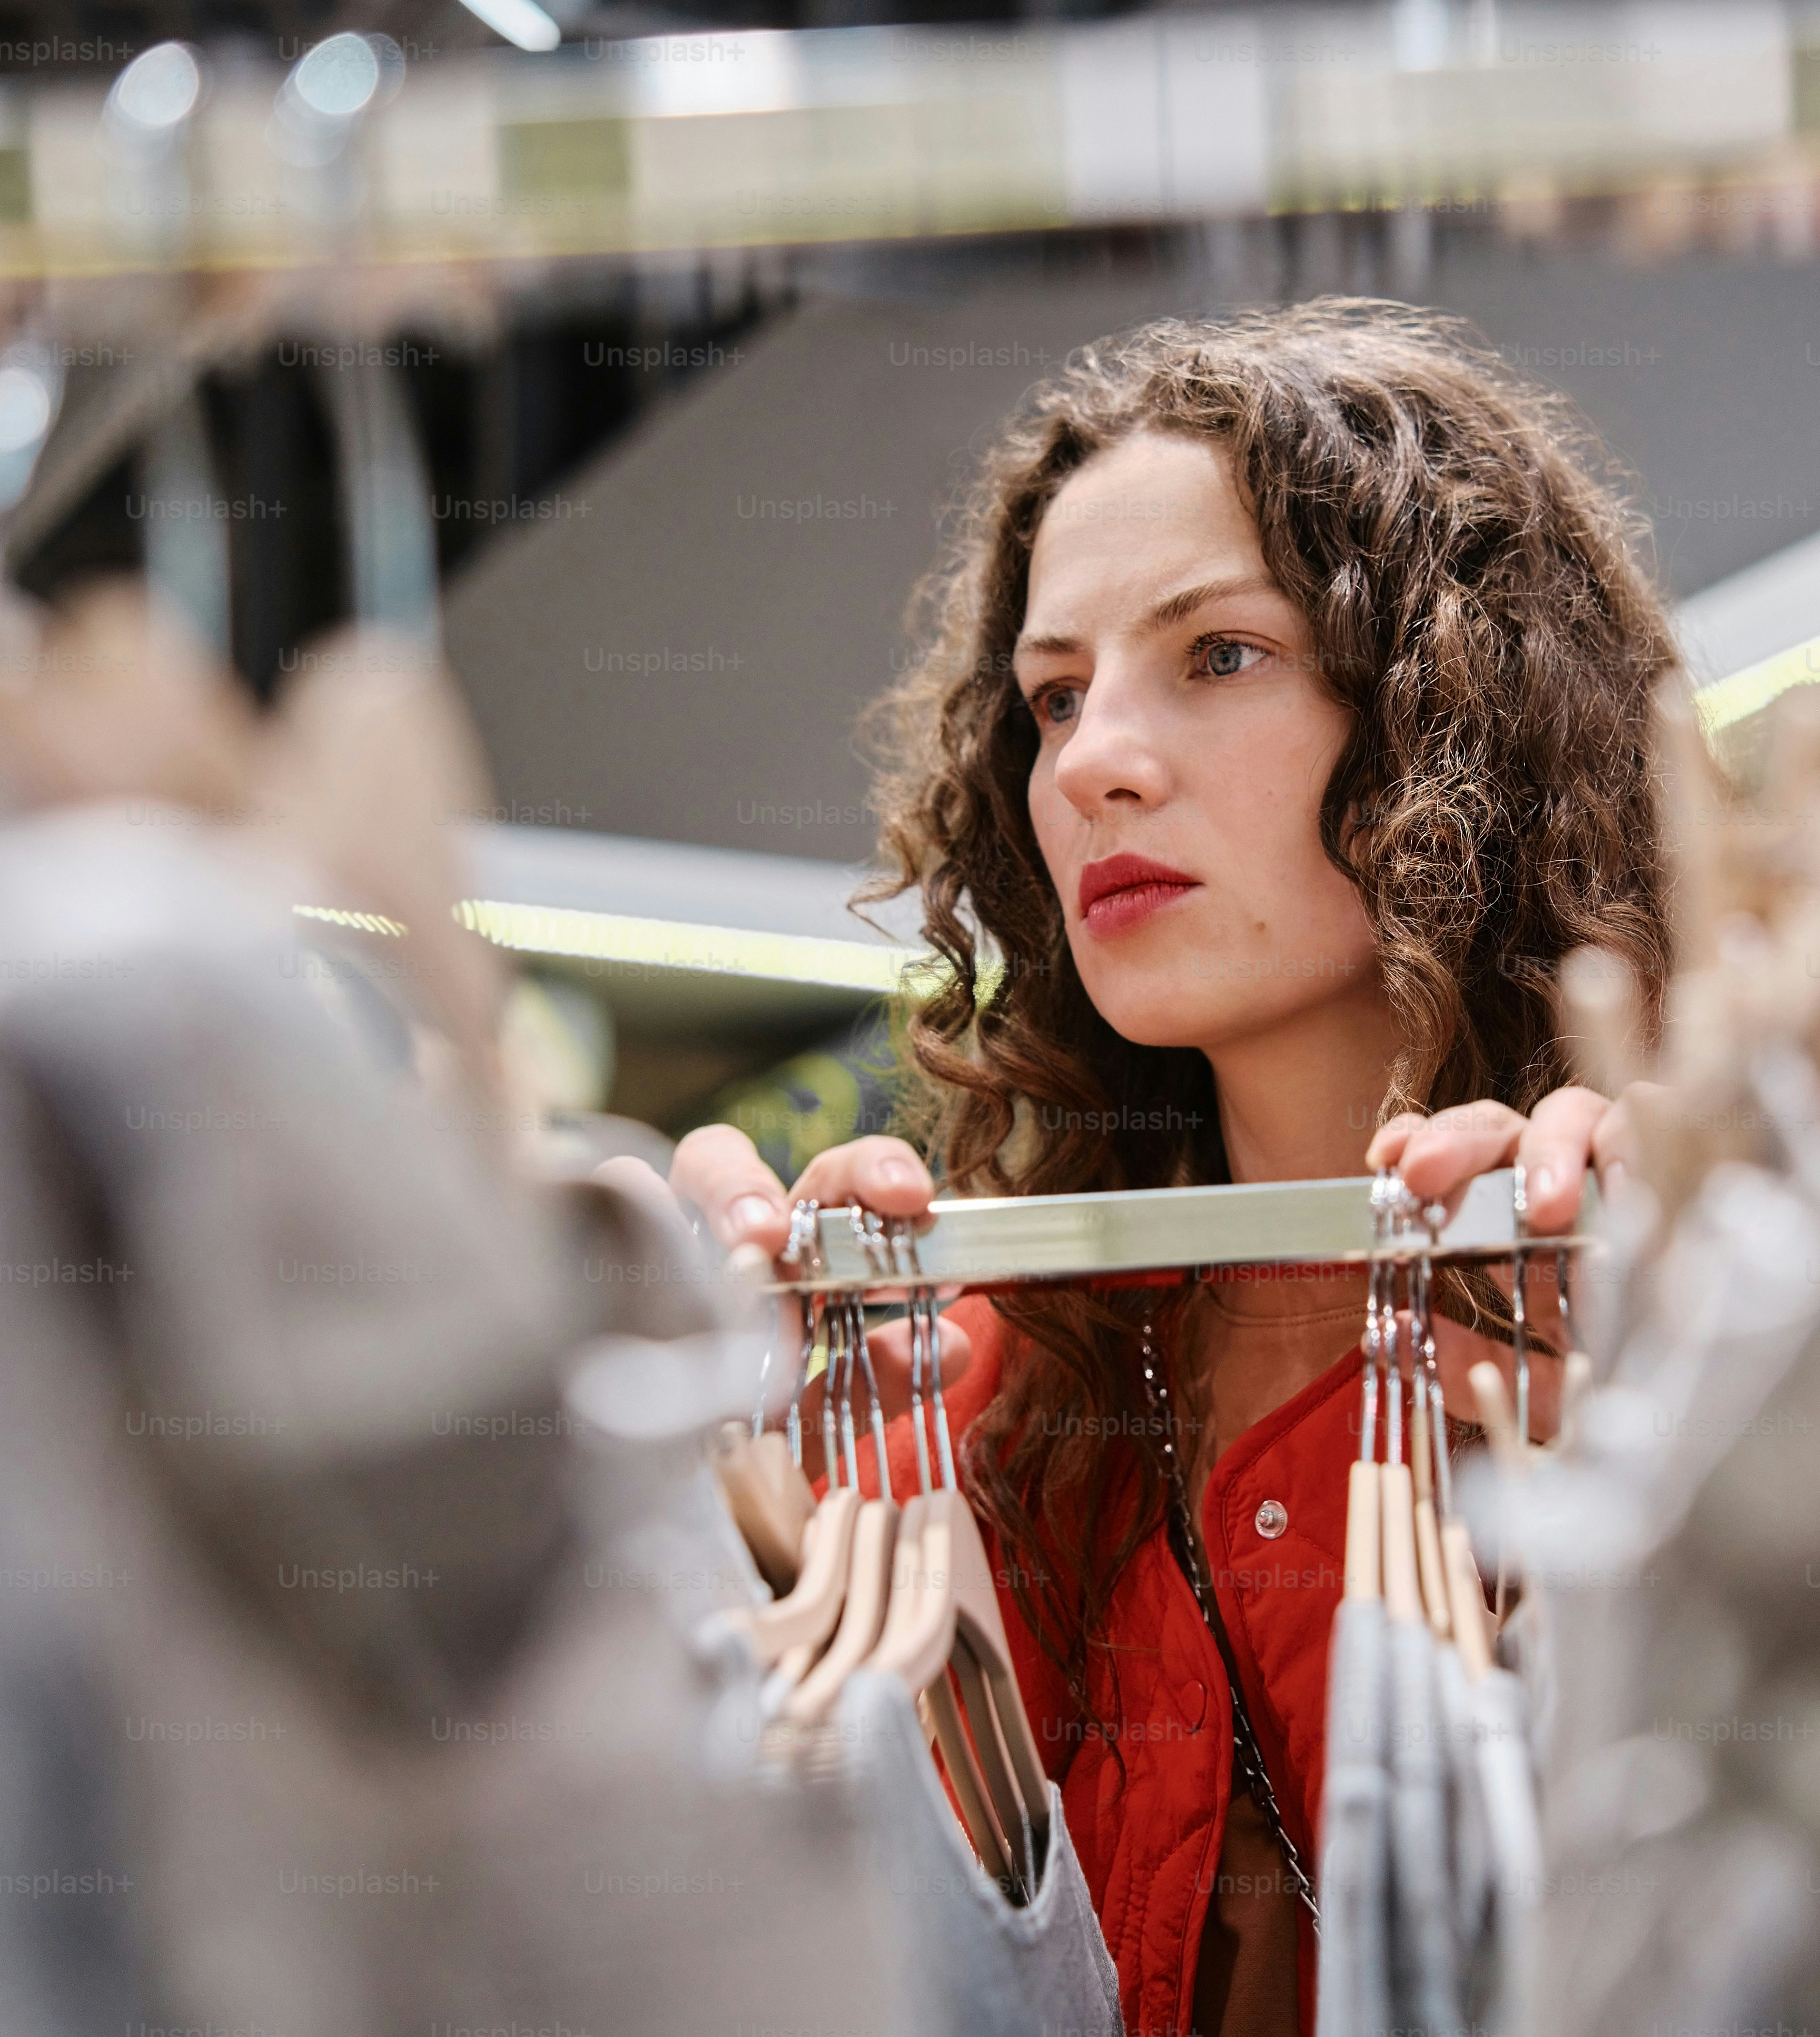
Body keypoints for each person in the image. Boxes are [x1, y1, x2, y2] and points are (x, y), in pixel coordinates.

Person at [664, 299, 1679, 2037]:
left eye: (1217, 653)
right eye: (1054, 699)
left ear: (1454, 699)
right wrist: (702, 1475)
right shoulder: (978, 1390)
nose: (1094, 764)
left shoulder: (1661, 1310)